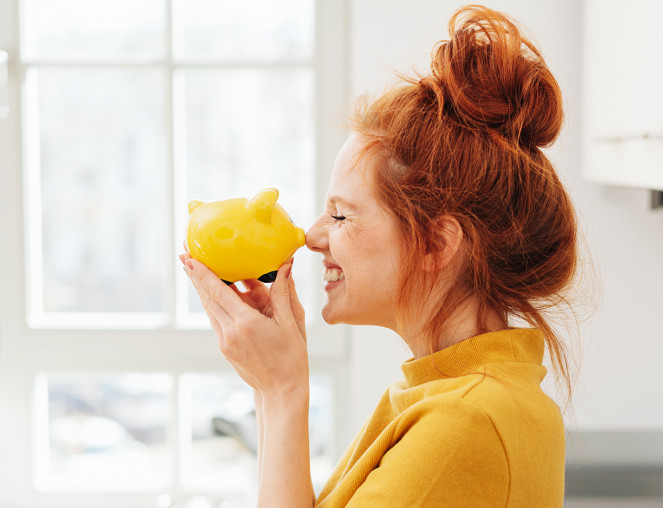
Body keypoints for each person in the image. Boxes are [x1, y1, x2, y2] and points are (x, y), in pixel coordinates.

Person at [181, 5, 579, 507]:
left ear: (437, 243)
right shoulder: (443, 394)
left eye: (341, 216)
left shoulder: (464, 421)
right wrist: (268, 386)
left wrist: (284, 391)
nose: (311, 236)